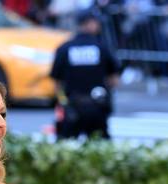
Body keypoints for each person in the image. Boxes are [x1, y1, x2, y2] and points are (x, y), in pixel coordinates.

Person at [50, 8, 120, 139]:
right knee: (99, 149)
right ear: (89, 23)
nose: (99, 25)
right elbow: (114, 80)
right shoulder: (102, 47)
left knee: (65, 149)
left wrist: (64, 102)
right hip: (97, 108)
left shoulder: (65, 48)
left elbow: (56, 84)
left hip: (72, 108)